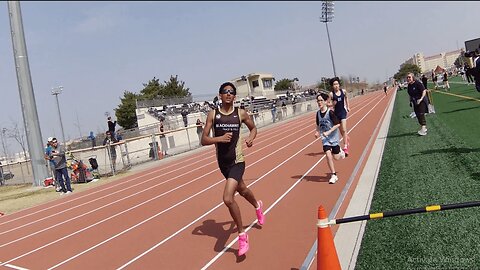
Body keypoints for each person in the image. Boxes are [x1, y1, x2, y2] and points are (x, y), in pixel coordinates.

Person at [201, 82, 265, 257]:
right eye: (225, 92)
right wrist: (219, 139)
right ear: (220, 95)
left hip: (238, 161)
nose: (228, 94)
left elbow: (253, 128)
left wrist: (251, 139)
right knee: (242, 189)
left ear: (234, 96)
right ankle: (257, 206)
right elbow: (204, 139)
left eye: (231, 92)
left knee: (228, 198)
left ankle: (242, 235)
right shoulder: (213, 115)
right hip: (223, 163)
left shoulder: (240, 113)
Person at [314, 93, 346, 184]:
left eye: (321, 100)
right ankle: (333, 174)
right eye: (318, 101)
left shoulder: (330, 112)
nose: (319, 102)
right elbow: (318, 125)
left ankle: (340, 151)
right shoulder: (317, 114)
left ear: (325, 102)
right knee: (328, 155)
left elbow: (338, 124)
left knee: (336, 158)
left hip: (334, 138)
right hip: (325, 139)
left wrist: (329, 131)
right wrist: (317, 132)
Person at [328, 77, 350, 156]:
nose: (336, 86)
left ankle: (345, 147)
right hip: (336, 114)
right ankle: (346, 139)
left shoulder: (343, 91)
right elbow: (327, 104)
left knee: (344, 129)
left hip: (343, 112)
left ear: (339, 84)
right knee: (341, 131)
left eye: (337, 84)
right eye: (334, 84)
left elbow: (347, 98)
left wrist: (348, 106)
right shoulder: (331, 94)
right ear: (332, 86)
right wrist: (332, 104)